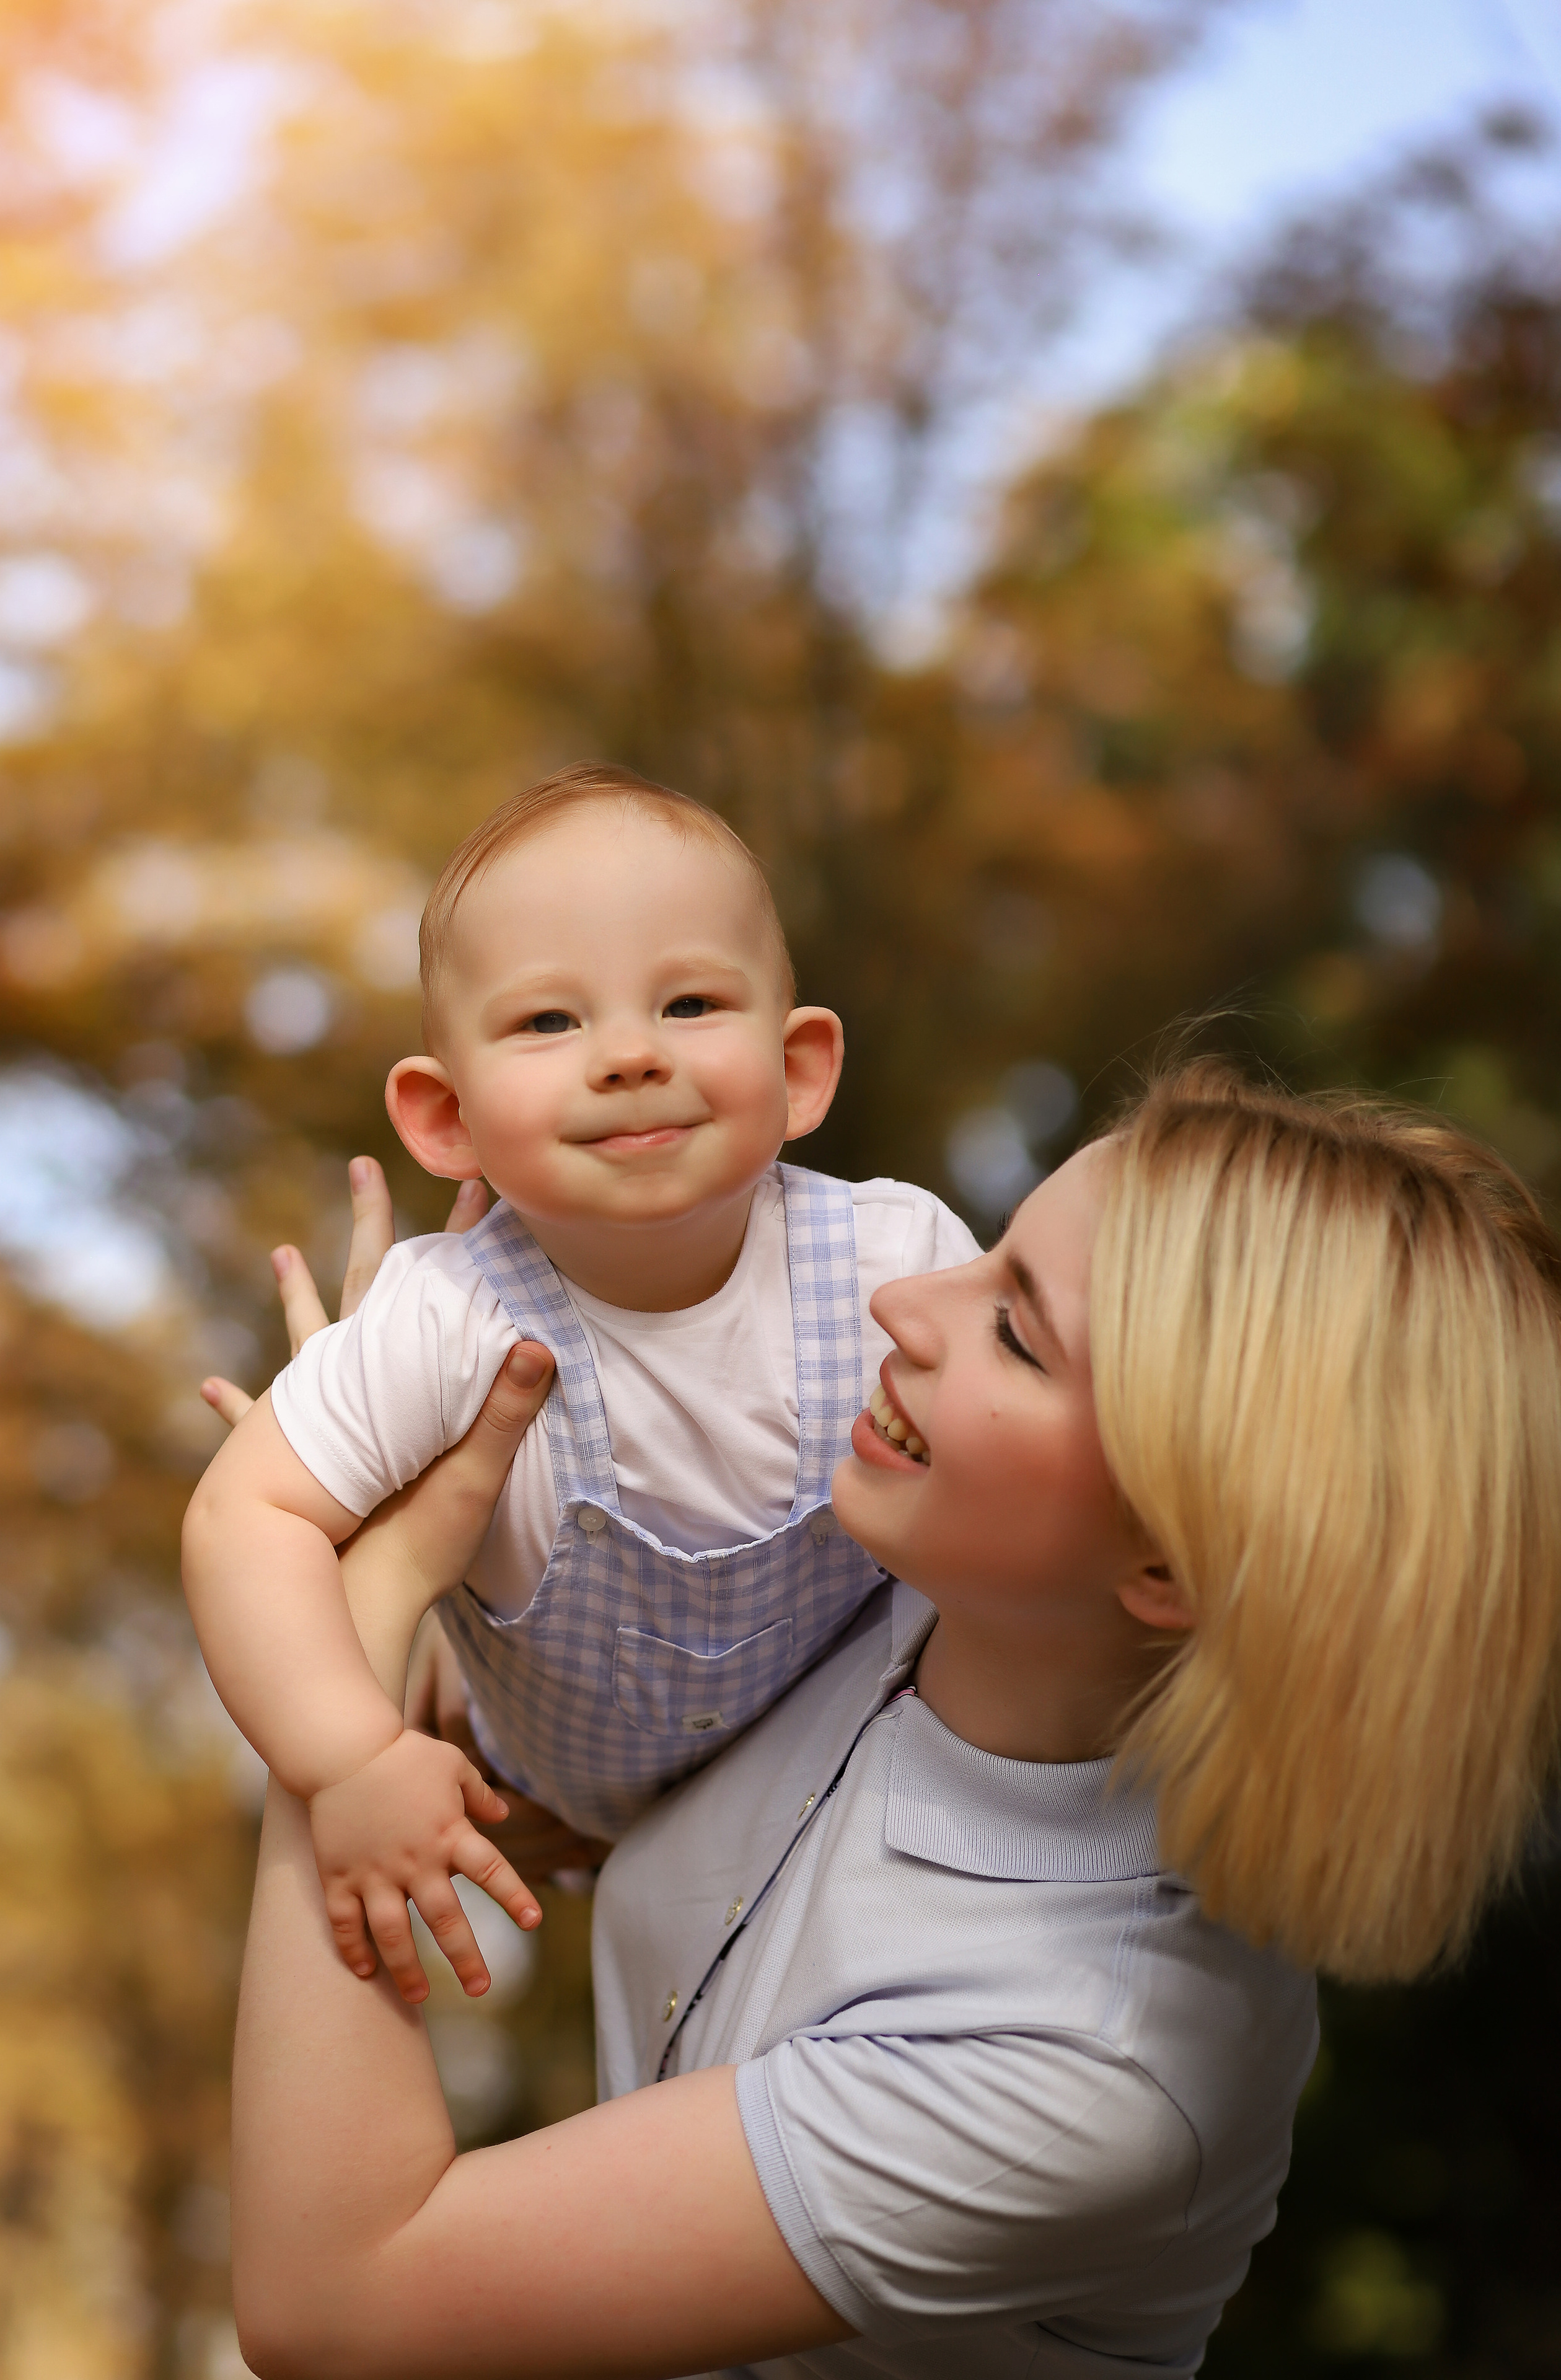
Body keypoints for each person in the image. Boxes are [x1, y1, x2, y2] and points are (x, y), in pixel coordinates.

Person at [223, 1062, 1561, 2379]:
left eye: (1017, 1334)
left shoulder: (1090, 2069)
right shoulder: (910, 1585)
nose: (901, 1300)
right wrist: (407, 1462)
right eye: (990, 1259)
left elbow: (337, 2304)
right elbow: (573, 1785)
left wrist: (350, 1606)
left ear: (1173, 1564)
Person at [182, 762, 978, 2001]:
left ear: (801, 1067)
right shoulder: (444, 1313)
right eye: (550, 1022)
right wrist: (348, 1759)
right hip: (551, 1790)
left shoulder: (898, 1263)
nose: (624, 1055)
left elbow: (1044, 1493)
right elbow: (247, 1514)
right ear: (444, 1118)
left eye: (690, 1001)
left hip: (840, 1799)